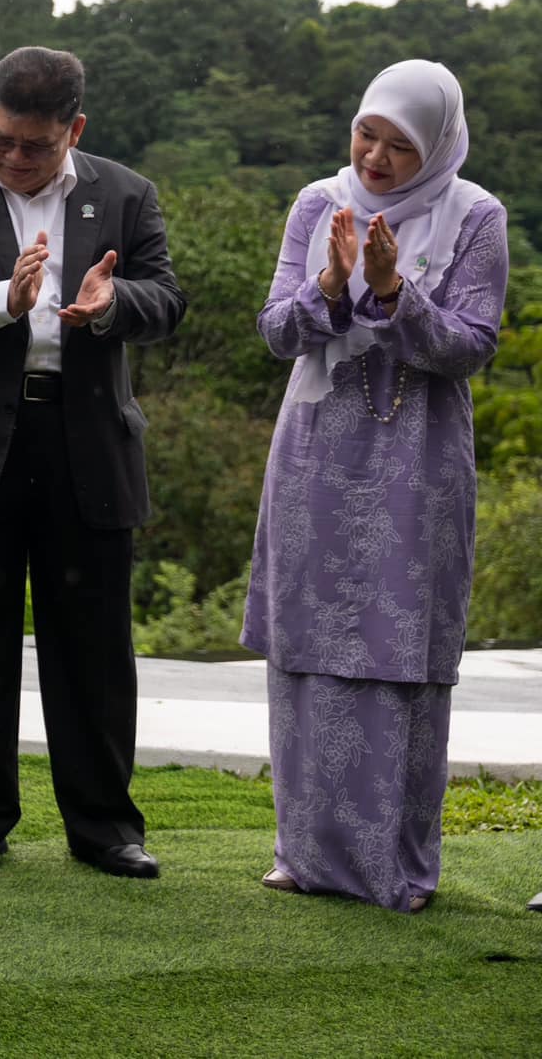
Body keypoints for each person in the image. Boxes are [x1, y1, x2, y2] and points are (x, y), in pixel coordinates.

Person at [0, 46, 186, 879]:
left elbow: (167, 299)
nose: (13, 159)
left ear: (74, 130)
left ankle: (105, 826)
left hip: (84, 439)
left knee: (92, 643)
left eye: (34, 146)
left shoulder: (125, 194)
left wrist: (113, 302)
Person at [242, 60, 506, 913]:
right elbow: (278, 331)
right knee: (311, 649)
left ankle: (394, 864)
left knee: (401, 648)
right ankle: (302, 852)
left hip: (416, 461)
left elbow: (471, 346)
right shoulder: (320, 204)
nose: (378, 158)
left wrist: (393, 292)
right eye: (368, 135)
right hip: (315, 451)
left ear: (437, 148)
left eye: (401, 146)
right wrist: (330, 284)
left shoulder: (476, 218)